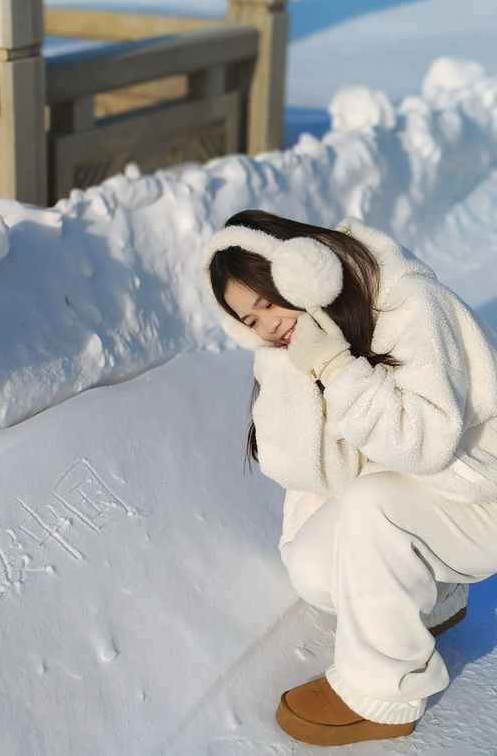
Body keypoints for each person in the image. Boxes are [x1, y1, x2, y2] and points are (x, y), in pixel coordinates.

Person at [205, 209, 497, 747]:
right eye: (249, 321)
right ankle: (435, 599)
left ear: (304, 268)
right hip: (429, 494)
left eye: (268, 303)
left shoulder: (410, 302)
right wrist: (288, 371)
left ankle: (382, 692)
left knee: (371, 506)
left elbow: (426, 442)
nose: (267, 326)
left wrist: (339, 369)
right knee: (315, 568)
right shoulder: (311, 337)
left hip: (483, 492)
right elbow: (319, 471)